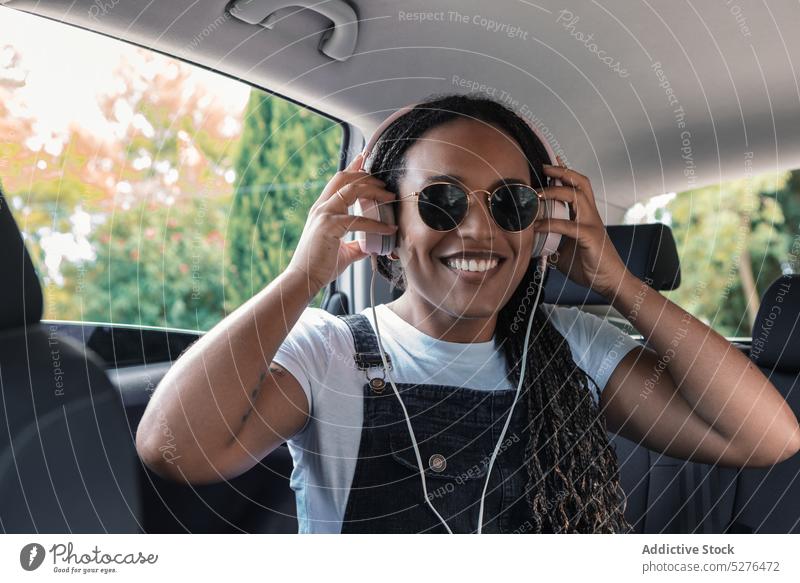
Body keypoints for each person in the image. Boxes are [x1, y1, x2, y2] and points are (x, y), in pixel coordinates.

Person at [136, 93, 800, 534]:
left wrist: (619, 282)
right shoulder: (327, 350)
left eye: (509, 201)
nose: (479, 230)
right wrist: (304, 275)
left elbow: (767, 435)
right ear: (384, 223)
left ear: (540, 225)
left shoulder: (573, 346)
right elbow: (172, 447)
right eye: (443, 200)